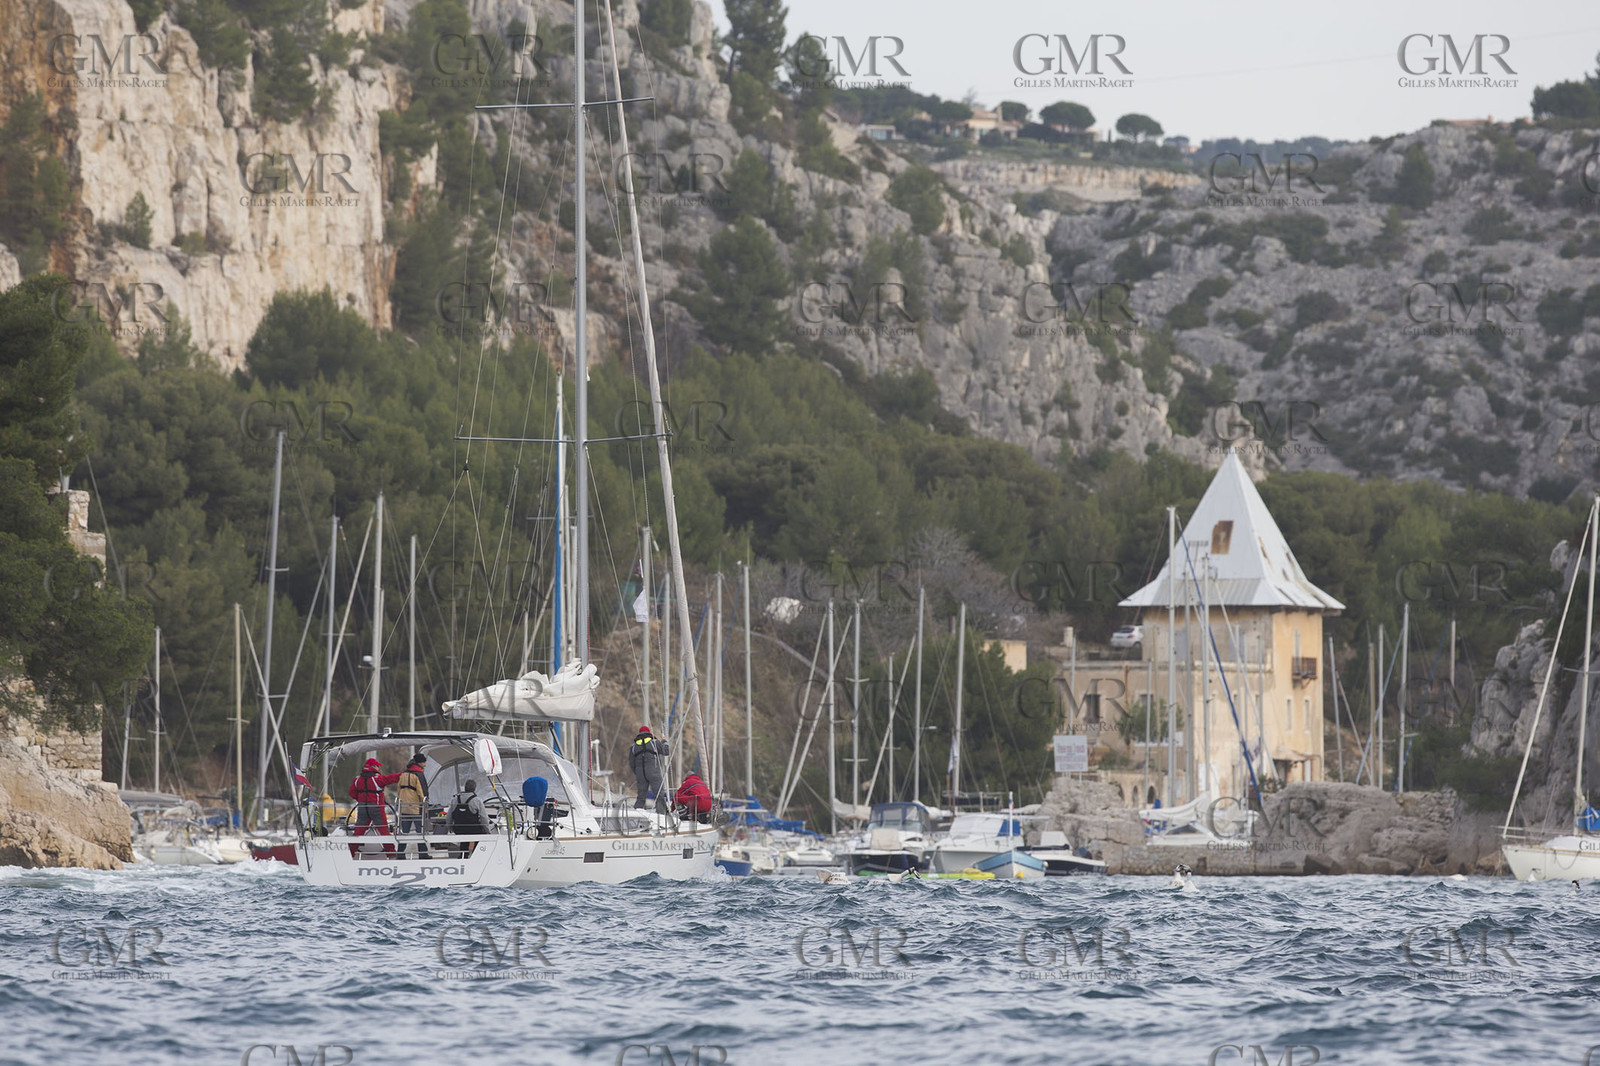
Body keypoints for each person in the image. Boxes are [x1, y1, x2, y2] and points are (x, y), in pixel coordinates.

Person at [348, 757, 400, 855]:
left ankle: (351, 853)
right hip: (376, 807)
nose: (379, 768)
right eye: (378, 766)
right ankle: (391, 853)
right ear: (373, 766)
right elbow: (391, 778)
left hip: (362, 807)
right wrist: (404, 774)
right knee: (383, 830)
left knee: (359, 831)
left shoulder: (357, 779)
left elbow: (351, 793)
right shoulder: (377, 779)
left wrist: (361, 800)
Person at [395, 753, 431, 859]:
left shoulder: (403, 774)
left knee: (404, 832)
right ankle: (423, 853)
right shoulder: (419, 775)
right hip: (416, 807)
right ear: (420, 763)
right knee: (420, 832)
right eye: (424, 762)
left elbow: (398, 789)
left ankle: (400, 853)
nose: (425, 764)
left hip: (404, 807)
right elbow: (422, 791)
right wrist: (425, 803)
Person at [629, 725, 669, 813]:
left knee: (641, 796)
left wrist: (637, 772)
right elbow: (666, 751)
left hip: (640, 773)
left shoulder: (634, 746)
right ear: (648, 732)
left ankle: (637, 813)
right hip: (653, 771)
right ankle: (661, 814)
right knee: (659, 794)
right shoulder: (654, 742)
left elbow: (632, 763)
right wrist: (664, 742)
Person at [448, 778, 491, 857]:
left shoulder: (454, 800)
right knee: (481, 833)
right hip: (473, 829)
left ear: (465, 788)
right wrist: (487, 830)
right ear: (474, 789)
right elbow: (484, 818)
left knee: (464, 839)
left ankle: (463, 855)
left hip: (459, 829)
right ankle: (476, 854)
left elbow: (449, 816)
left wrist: (450, 827)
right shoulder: (477, 801)